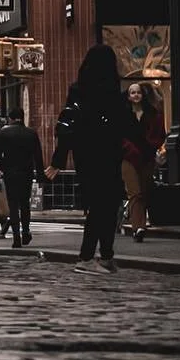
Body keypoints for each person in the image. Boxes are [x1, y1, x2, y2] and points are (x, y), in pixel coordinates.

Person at [47, 43, 127, 271]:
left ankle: (101, 256)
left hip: (87, 155)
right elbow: (122, 124)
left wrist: (59, 160)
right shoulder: (110, 92)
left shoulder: (79, 90)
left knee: (102, 205)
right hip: (107, 154)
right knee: (106, 206)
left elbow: (66, 125)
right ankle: (92, 256)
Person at [120, 81, 166, 242]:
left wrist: (152, 146)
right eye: (132, 92)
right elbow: (118, 136)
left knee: (144, 191)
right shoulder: (123, 114)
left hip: (146, 157)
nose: (136, 95)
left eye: (138, 92)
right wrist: (128, 148)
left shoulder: (152, 114)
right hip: (128, 157)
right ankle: (137, 227)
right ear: (128, 96)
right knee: (135, 192)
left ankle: (140, 225)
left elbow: (160, 134)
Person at [0, 109, 46, 248]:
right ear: (22, 118)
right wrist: (41, 175)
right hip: (26, 172)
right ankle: (26, 231)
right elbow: (38, 156)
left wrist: (4, 166)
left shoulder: (4, 133)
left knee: (13, 204)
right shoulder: (31, 133)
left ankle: (16, 236)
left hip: (11, 173)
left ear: (10, 118)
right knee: (24, 203)